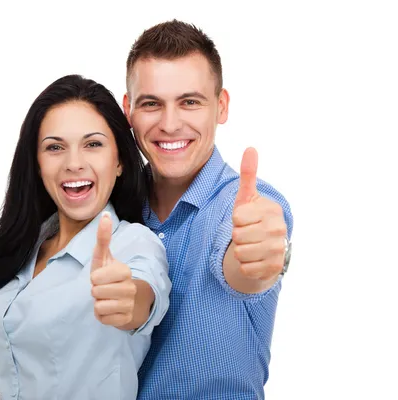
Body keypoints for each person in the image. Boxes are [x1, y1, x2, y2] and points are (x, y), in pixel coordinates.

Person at [0, 74, 171, 400]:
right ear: (37, 163)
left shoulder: (133, 244)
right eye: (55, 147)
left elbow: (142, 299)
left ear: (120, 162)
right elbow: (12, 375)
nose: (74, 163)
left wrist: (129, 300)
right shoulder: (24, 246)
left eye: (93, 144)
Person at [122, 20, 294, 399]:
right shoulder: (112, 213)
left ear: (221, 106)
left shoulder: (248, 207)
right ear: (128, 110)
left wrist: (261, 257)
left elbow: (245, 263)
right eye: (151, 104)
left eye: (190, 102)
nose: (170, 124)